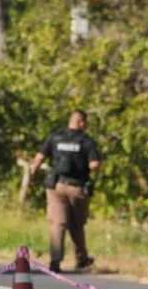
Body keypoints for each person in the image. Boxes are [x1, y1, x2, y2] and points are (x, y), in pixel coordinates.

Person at [29, 110, 101, 273]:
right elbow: (94, 164)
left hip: (56, 186)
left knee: (58, 223)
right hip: (77, 188)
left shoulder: (55, 137)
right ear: (81, 123)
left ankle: (55, 262)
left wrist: (34, 169)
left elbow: (39, 157)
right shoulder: (86, 141)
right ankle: (81, 259)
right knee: (77, 225)